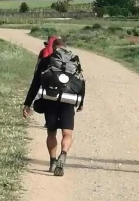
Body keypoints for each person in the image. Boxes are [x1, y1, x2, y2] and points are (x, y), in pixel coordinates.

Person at [23, 37, 85, 176]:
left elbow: (35, 84)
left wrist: (28, 104)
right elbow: (80, 82)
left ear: (54, 47)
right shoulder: (74, 60)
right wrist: (81, 102)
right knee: (67, 134)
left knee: (51, 132)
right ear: (65, 47)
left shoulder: (47, 61)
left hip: (50, 100)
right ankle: (63, 154)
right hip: (68, 101)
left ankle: (52, 162)